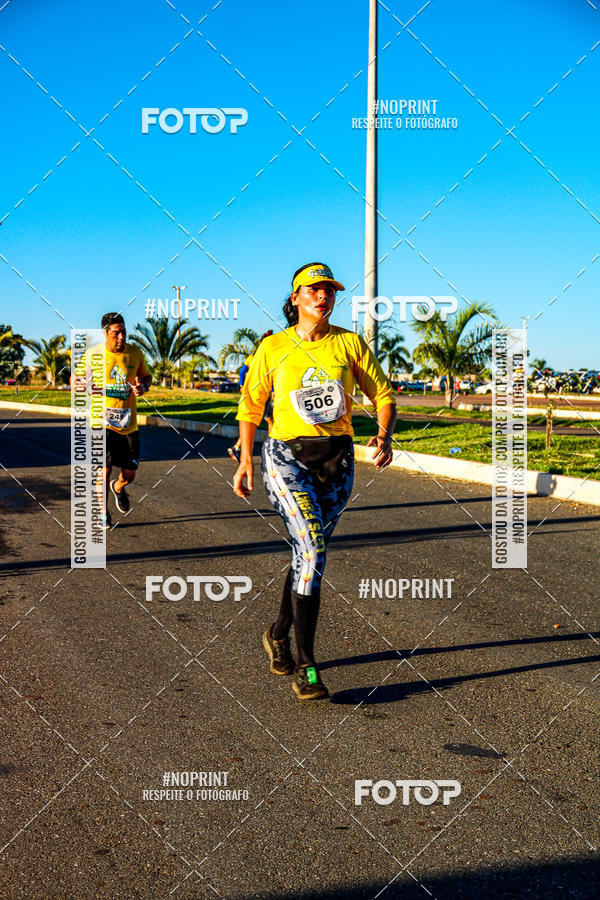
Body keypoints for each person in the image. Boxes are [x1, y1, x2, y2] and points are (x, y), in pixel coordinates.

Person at [233, 262, 396, 700]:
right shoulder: (273, 348)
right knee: (312, 549)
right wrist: (246, 460)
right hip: (286, 457)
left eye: (329, 290)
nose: (323, 296)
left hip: (337, 462)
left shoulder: (348, 342)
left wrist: (383, 433)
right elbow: (251, 407)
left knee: (309, 556)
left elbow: (382, 394)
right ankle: (306, 667)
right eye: (314, 290)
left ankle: (277, 634)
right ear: (296, 299)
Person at [77, 313, 152, 529]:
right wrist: (80, 383)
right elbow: (78, 378)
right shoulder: (93, 355)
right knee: (104, 468)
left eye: (124, 332)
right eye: (116, 333)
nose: (121, 337)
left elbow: (146, 377)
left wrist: (143, 387)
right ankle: (103, 513)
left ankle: (118, 487)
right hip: (102, 424)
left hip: (128, 425)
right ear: (105, 333)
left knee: (130, 474)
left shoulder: (135, 353)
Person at [227, 330, 274, 463]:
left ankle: (237, 448)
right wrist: (272, 390)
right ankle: (270, 449)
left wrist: (242, 385)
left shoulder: (253, 356)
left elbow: (242, 371)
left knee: (263, 420)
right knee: (268, 420)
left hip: (252, 393)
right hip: (260, 395)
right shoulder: (268, 357)